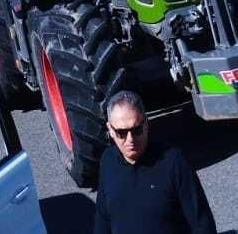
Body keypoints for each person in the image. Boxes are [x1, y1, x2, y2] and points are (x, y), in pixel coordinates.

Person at [92, 91, 215, 234]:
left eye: (136, 129)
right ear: (110, 130)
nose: (130, 139)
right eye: (121, 133)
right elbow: (103, 219)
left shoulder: (173, 163)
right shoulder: (108, 161)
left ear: (146, 123)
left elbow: (202, 224)